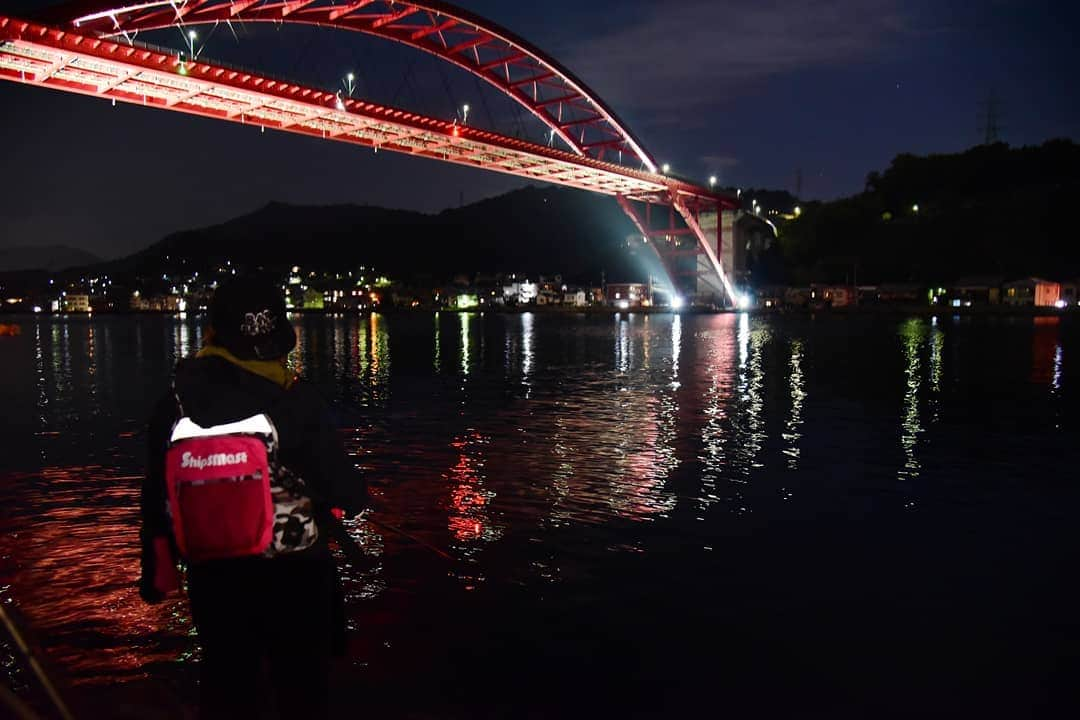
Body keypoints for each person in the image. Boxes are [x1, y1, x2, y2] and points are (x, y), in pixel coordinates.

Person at [139, 275, 368, 719]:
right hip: (297, 579)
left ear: (213, 334)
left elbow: (156, 494)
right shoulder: (297, 401)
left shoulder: (175, 403)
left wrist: (156, 570)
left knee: (228, 687)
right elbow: (348, 493)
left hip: (215, 580)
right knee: (302, 694)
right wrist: (351, 498)